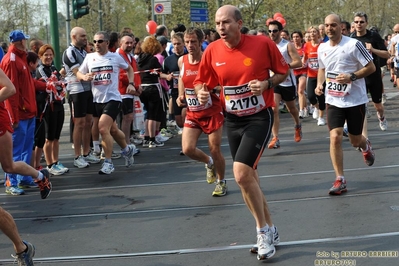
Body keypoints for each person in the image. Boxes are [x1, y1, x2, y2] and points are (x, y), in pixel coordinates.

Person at [193, 5, 289, 260]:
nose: (221, 28)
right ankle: (270, 228)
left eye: (225, 23)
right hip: (233, 119)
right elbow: (203, 80)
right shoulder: (212, 50)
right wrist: (203, 90)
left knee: (241, 174)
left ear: (239, 23)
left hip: (259, 116)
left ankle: (262, 232)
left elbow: (283, 72)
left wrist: (267, 83)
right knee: (249, 179)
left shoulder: (261, 44)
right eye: (217, 24)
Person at [316, 14, 376, 195]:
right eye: (327, 25)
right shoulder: (322, 47)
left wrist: (352, 76)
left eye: (333, 25)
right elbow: (322, 68)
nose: (329, 28)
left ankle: (366, 146)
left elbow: (371, 67)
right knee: (335, 137)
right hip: (333, 100)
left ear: (341, 26)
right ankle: (340, 179)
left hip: (355, 99)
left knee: (355, 140)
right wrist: (320, 84)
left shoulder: (353, 44)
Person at [176, 27, 227, 197]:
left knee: (215, 148)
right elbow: (182, 78)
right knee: (188, 149)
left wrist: (210, 90)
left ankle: (221, 182)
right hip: (193, 112)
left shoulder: (209, 59)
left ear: (200, 42)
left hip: (212, 111)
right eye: (187, 42)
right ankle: (209, 162)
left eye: (193, 42)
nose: (190, 45)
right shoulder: (182, 61)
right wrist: (180, 95)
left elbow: (222, 82)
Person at [77, 31, 136, 174]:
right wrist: (85, 77)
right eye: (95, 41)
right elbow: (79, 73)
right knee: (113, 130)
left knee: (103, 128)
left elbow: (129, 69)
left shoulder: (115, 57)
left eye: (100, 41)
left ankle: (108, 162)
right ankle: (127, 150)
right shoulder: (90, 58)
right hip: (97, 100)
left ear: (107, 43)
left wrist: (131, 83)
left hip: (113, 98)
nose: (97, 44)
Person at [0, 30, 48, 195]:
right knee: (15, 151)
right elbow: (10, 90)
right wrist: (13, 115)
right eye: (25, 40)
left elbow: (28, 83)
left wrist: (45, 85)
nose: (26, 43)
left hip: (28, 112)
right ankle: (11, 182)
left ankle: (24, 178)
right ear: (20, 42)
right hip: (20, 114)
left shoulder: (21, 58)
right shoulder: (11, 60)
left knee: (27, 147)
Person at [63, 27, 100, 169]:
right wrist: (84, 77)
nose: (85, 38)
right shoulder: (70, 52)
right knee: (79, 123)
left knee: (89, 121)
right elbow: (76, 71)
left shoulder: (84, 51)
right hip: (76, 91)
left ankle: (86, 152)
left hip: (89, 89)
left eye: (85, 35)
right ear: (74, 36)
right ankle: (77, 156)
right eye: (82, 36)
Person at [350, 12, 389, 131]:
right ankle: (356, 130)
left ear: (366, 23)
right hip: (360, 76)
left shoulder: (374, 36)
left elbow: (387, 54)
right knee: (358, 105)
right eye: (356, 22)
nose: (359, 24)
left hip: (374, 75)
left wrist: (372, 49)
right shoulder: (351, 38)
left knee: (378, 106)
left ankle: (381, 117)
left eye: (361, 22)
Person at [267, 20, 302, 149]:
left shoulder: (287, 45)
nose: (272, 33)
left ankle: (297, 124)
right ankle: (275, 138)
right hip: (273, 81)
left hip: (287, 81)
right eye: (269, 31)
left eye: (274, 31)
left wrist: (284, 67)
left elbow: (298, 62)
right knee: (274, 108)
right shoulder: (267, 45)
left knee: (291, 109)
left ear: (280, 32)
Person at [36, 44, 68, 176]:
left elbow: (61, 83)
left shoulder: (54, 68)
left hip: (59, 103)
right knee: (48, 137)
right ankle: (49, 164)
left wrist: (59, 83)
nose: (49, 57)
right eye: (46, 55)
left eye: (50, 55)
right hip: (48, 106)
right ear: (40, 56)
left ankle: (56, 161)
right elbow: (50, 84)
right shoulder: (41, 69)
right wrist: (58, 83)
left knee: (56, 137)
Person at [137, 36, 165, 148]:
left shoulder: (140, 58)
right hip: (153, 87)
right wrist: (167, 76)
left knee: (148, 113)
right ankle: (152, 139)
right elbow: (159, 73)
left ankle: (147, 137)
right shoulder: (153, 59)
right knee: (153, 114)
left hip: (142, 88)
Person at [117, 35, 142, 145]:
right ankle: (125, 143)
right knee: (127, 117)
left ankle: (127, 141)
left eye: (131, 42)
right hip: (123, 91)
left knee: (129, 117)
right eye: (127, 43)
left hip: (130, 91)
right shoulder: (119, 56)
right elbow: (122, 75)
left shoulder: (130, 56)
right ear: (120, 43)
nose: (130, 45)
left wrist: (139, 85)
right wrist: (135, 87)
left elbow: (135, 72)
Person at [161, 32, 187, 131]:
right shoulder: (168, 60)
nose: (176, 46)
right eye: (174, 44)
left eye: (179, 44)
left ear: (183, 44)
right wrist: (167, 76)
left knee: (185, 114)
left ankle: (189, 132)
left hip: (188, 91)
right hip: (175, 91)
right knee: (179, 121)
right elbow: (160, 73)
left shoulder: (188, 57)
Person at [303, 26, 326, 126]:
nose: (312, 34)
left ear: (318, 34)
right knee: (311, 96)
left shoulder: (323, 45)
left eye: (314, 32)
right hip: (311, 74)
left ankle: (321, 117)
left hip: (321, 75)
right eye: (310, 32)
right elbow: (305, 58)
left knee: (320, 96)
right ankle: (316, 107)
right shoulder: (307, 45)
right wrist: (303, 62)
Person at [291, 30, 308, 118]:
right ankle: (305, 108)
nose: (295, 39)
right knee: (299, 93)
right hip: (294, 73)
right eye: (294, 37)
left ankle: (301, 110)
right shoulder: (291, 48)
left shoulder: (304, 47)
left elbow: (306, 59)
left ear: (301, 38)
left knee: (300, 91)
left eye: (297, 37)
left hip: (304, 72)